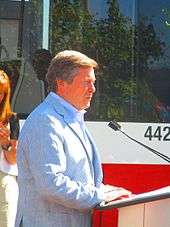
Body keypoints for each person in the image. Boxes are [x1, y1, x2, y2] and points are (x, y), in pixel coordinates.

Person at [15, 50, 131, 227]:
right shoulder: (45, 121)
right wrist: (99, 195)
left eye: (93, 82)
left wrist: (102, 190)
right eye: (87, 82)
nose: (93, 89)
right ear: (61, 84)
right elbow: (51, 184)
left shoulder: (71, 118)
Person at [0, 69, 19, 227]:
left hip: (4, 180)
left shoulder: (11, 119)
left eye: (1, 92)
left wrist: (5, 142)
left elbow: (13, 160)